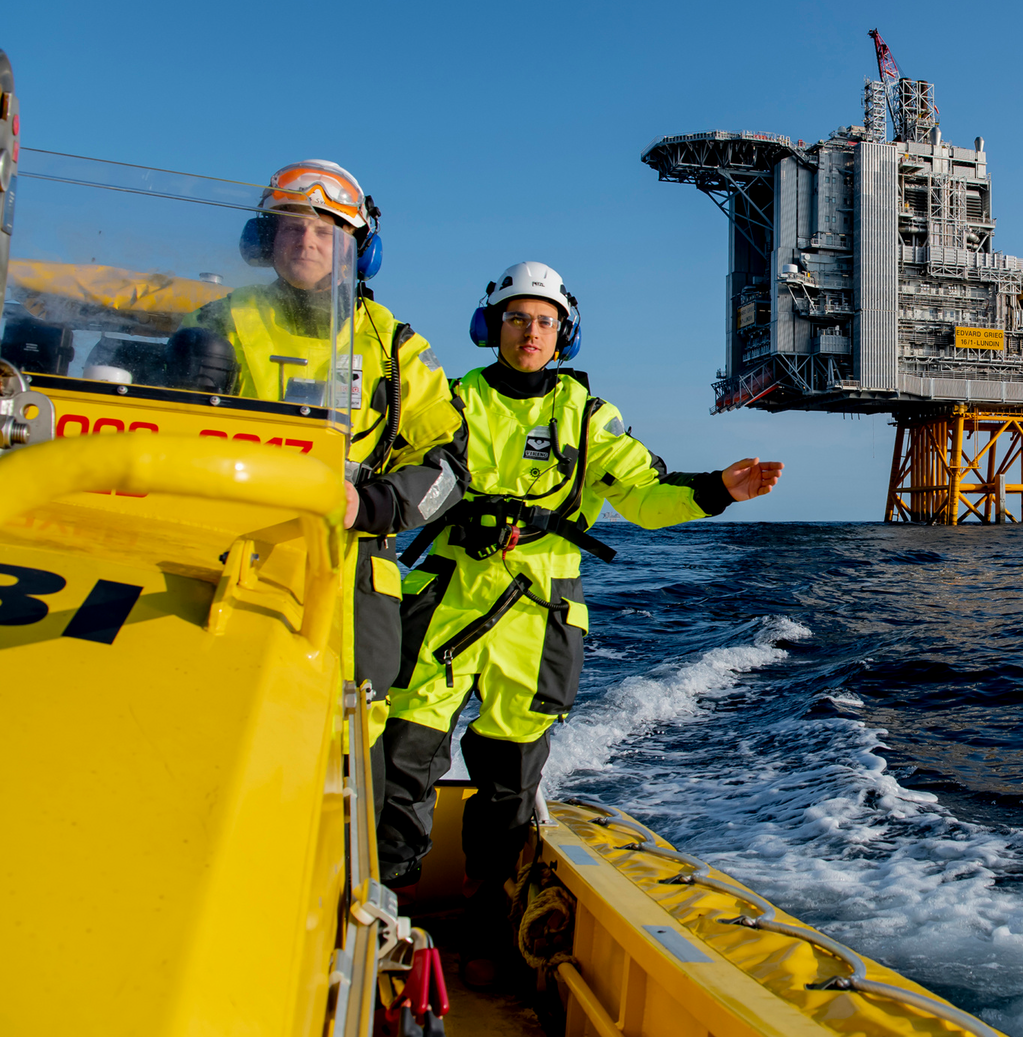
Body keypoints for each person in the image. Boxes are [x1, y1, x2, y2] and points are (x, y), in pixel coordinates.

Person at [377, 261, 780, 948]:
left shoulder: (588, 417)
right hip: (443, 603)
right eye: (515, 318)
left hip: (536, 620)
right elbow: (406, 478)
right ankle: (391, 916)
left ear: (564, 334)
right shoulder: (448, 403)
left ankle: (483, 928)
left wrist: (716, 489)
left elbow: (643, 495)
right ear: (491, 328)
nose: (529, 331)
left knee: (508, 785)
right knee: (402, 764)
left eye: (543, 320)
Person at [185, 162, 467, 786]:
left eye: (326, 228)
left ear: (357, 248)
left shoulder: (395, 347)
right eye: (290, 227)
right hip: (235, 558)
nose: (306, 242)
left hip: (356, 574)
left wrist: (370, 506)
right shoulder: (219, 324)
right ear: (265, 240)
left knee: (354, 739)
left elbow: (449, 464)